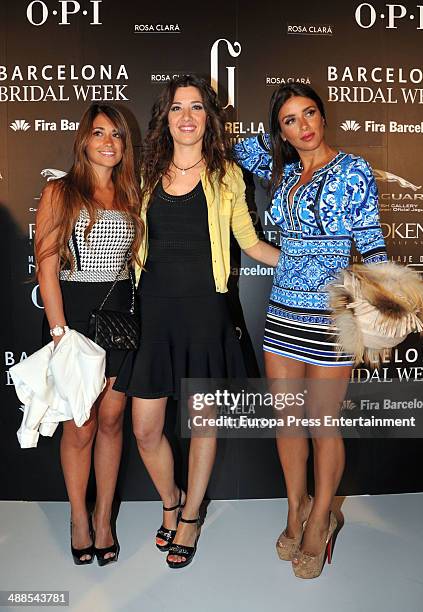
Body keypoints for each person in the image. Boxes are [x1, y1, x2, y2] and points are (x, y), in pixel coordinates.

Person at [114, 74, 280, 569]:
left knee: (202, 424)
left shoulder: (228, 175)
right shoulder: (145, 173)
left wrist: (308, 258)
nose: (187, 116)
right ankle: (171, 499)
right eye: (177, 107)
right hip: (155, 314)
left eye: (196, 107)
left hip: (206, 313)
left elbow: (250, 244)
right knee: (146, 430)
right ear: (165, 118)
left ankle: (190, 515)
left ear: (209, 117)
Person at [233, 83, 387, 578]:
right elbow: (233, 147)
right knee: (287, 422)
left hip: (330, 317)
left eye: (310, 113)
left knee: (322, 425)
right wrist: (275, 133)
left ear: (324, 115)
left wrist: (382, 315)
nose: (305, 126)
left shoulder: (354, 170)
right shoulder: (282, 172)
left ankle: (321, 519)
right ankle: (294, 507)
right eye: (290, 120)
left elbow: (372, 245)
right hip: (281, 315)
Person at [35, 103, 143, 566]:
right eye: (99, 133)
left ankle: (104, 519)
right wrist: (60, 334)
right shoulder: (61, 191)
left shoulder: (132, 193)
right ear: (84, 140)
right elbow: (46, 266)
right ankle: (79, 516)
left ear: (124, 145)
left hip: (119, 315)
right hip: (73, 318)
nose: (108, 142)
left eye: (117, 135)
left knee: (113, 420)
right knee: (80, 425)